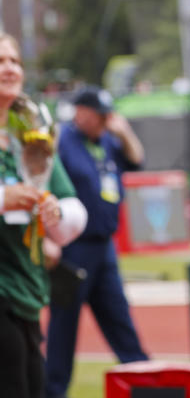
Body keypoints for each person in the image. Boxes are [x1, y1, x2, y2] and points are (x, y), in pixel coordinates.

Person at [45, 87, 149, 398]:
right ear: (81, 112)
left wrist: (124, 132)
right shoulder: (62, 140)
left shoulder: (105, 141)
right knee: (63, 329)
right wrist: (50, 238)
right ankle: (53, 392)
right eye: (100, 114)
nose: (106, 120)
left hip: (104, 248)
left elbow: (137, 160)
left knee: (120, 320)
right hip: (72, 248)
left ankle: (147, 384)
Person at [0, 33, 87, 398]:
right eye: (0, 61)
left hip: (28, 282)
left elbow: (72, 206)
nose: (9, 68)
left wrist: (54, 211)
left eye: (15, 61)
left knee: (36, 384)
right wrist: (4, 198)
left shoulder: (32, 132)